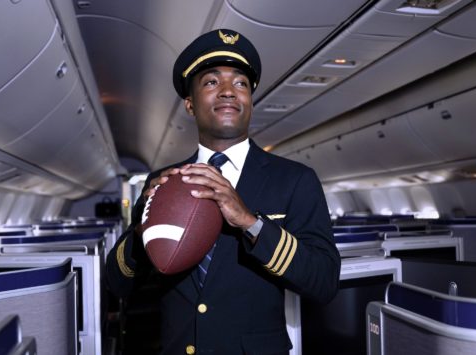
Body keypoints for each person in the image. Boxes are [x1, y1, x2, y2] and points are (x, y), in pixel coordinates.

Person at [106, 28, 340, 355]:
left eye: (241, 83)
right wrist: (145, 226)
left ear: (250, 102)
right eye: (212, 82)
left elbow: (324, 280)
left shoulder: (295, 180)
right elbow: (117, 284)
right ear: (189, 104)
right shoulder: (161, 182)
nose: (229, 91)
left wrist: (250, 223)